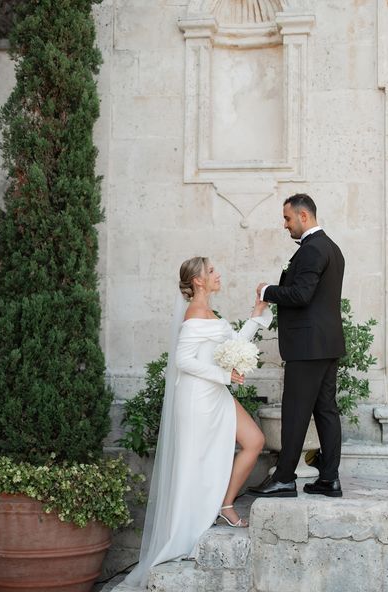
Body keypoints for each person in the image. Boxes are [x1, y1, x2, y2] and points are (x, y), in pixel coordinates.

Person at [124, 256, 272, 588]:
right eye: (212, 271)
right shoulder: (192, 316)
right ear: (199, 282)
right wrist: (224, 375)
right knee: (197, 461)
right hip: (197, 399)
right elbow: (183, 361)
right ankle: (197, 522)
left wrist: (256, 313)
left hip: (216, 393)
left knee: (255, 441)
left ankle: (224, 502)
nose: (218, 274)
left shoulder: (211, 314)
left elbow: (234, 345)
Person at [248, 193, 345, 499]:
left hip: (308, 345)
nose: (285, 224)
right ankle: (329, 479)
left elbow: (301, 295)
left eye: (288, 218)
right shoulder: (332, 247)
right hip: (326, 344)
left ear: (304, 216)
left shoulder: (313, 249)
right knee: (326, 410)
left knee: (295, 411)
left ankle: (285, 478)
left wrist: (268, 290)